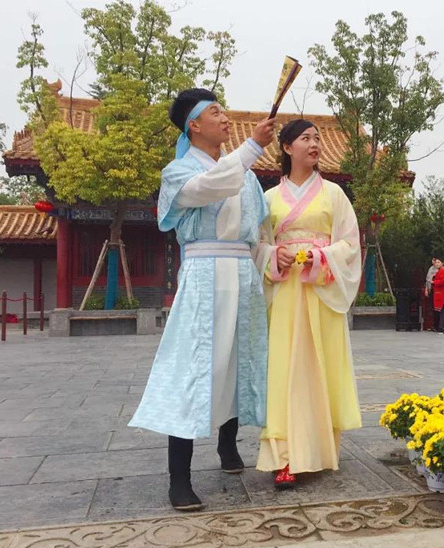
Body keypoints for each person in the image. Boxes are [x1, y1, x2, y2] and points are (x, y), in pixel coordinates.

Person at [128, 89, 276, 511]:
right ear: (193, 125)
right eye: (215, 112)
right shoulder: (179, 172)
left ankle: (228, 445)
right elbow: (211, 186)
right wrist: (252, 148)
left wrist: (272, 257)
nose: (225, 117)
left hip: (242, 272)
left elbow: (258, 234)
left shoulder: (247, 176)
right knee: (195, 368)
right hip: (204, 272)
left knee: (239, 360)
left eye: (224, 110)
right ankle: (179, 477)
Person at [254, 119, 362, 490]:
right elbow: (257, 244)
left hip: (321, 289)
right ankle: (283, 455)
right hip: (286, 293)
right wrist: (273, 255)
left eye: (317, 138)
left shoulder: (334, 194)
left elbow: (350, 243)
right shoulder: (269, 198)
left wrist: (321, 256)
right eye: (305, 138)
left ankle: (319, 449)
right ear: (287, 147)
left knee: (320, 366)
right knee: (285, 369)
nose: (314, 144)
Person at [423, 257, 438, 331]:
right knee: (430, 307)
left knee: (436, 308)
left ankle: (436, 325)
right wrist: (426, 289)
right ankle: (430, 325)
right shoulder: (431, 268)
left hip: (436, 290)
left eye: (434, 260)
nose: (433, 261)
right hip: (430, 289)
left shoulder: (439, 270)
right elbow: (427, 279)